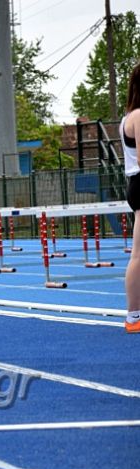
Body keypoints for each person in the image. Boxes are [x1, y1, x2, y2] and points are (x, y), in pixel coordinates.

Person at [123, 62, 140, 334]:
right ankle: (133, 316)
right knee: (139, 254)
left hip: (136, 182)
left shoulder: (129, 115)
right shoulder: (138, 116)